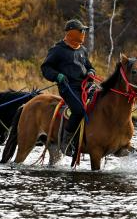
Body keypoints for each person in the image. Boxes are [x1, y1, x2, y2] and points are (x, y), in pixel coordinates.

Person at [41, 18, 96, 154]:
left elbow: (90, 66)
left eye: (84, 31)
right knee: (78, 110)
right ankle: (66, 142)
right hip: (68, 87)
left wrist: (91, 72)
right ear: (72, 32)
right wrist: (57, 76)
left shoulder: (82, 49)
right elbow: (46, 68)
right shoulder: (58, 49)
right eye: (81, 30)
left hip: (85, 86)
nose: (83, 33)